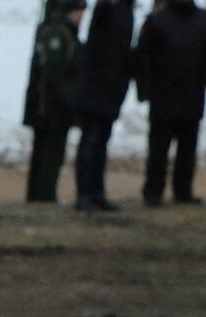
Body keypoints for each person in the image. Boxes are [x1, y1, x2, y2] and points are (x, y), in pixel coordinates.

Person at [135, 0, 206, 206]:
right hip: (167, 94)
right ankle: (155, 190)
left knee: (185, 146)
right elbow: (143, 56)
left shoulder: (202, 21)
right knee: (161, 146)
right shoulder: (158, 20)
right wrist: (144, 88)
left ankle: (179, 190)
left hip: (186, 93)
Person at [72, 0, 133, 210]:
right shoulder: (107, 10)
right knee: (91, 140)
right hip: (97, 86)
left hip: (109, 87)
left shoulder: (123, 11)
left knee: (100, 142)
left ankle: (96, 192)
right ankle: (85, 194)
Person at [23, 0, 85, 203]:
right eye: (78, 12)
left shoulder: (53, 29)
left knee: (43, 151)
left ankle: (37, 194)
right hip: (52, 106)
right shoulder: (59, 33)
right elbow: (55, 73)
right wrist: (71, 99)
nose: (81, 17)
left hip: (46, 104)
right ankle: (44, 195)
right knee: (50, 152)